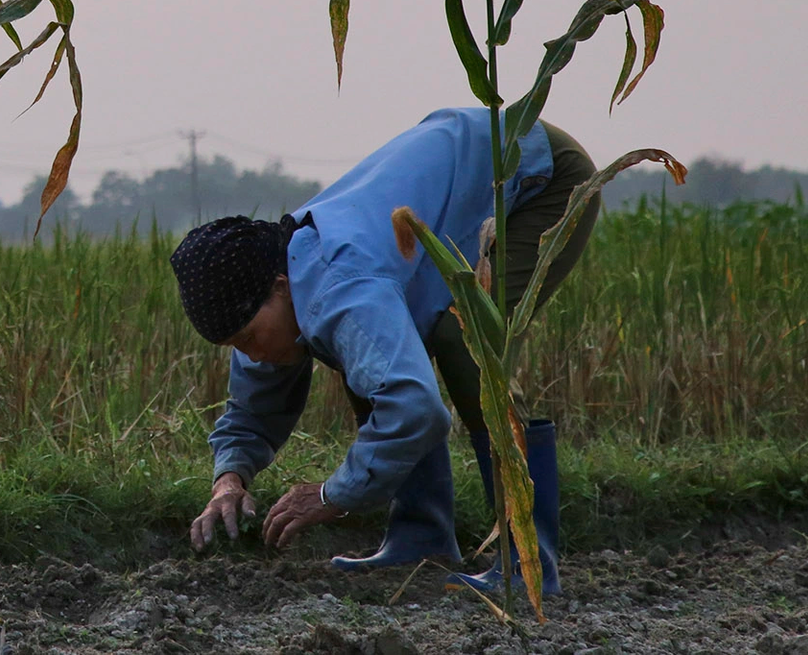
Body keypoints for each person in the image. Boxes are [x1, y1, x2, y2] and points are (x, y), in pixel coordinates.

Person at [173, 107, 601, 596]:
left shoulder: (342, 288)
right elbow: (252, 408)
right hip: (462, 184)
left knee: (466, 338)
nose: (251, 354)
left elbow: (415, 408)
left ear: (278, 288)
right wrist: (228, 480)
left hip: (534, 177)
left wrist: (332, 496)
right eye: (235, 347)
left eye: (247, 338)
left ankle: (529, 562)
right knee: (368, 360)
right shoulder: (278, 285)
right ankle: (422, 538)